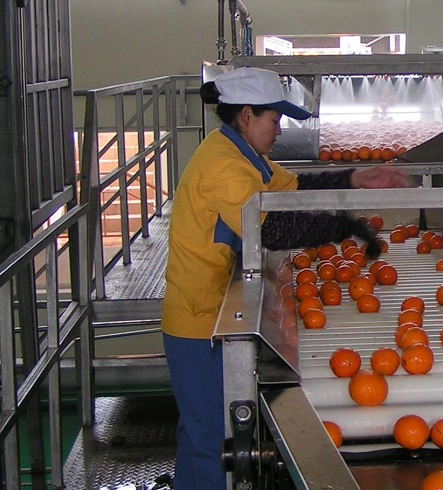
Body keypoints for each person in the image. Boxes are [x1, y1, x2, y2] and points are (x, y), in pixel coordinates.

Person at [161, 67, 410, 489]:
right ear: (246, 115)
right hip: (197, 320)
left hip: (211, 307)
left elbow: (291, 187)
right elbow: (271, 228)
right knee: (211, 439)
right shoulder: (223, 165)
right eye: (274, 120)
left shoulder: (245, 156)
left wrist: (354, 178)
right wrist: (343, 227)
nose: (279, 130)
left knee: (199, 427)